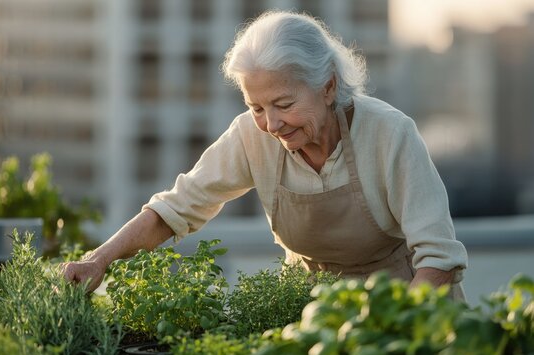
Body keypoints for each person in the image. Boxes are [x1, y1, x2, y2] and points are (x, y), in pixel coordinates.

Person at [62, 10, 468, 300]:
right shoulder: (250, 137)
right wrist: (99, 259)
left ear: (328, 87)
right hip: (318, 319)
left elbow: (439, 258)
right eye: (256, 107)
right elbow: (176, 208)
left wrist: (389, 326)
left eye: (284, 103)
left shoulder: (390, 134)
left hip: (413, 314)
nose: (271, 124)